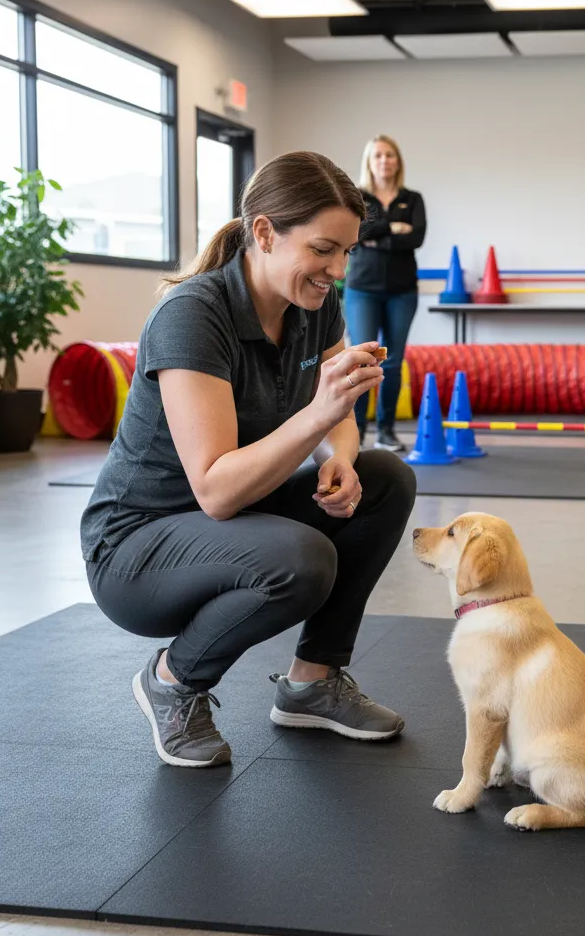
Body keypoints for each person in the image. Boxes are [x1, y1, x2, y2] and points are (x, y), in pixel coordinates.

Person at [80, 151, 417, 769]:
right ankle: (172, 682)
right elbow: (215, 490)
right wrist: (320, 414)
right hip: (136, 551)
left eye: (346, 253)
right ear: (264, 232)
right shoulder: (193, 315)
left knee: (384, 478)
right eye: (323, 250)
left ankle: (312, 682)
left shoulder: (315, 308)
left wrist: (340, 457)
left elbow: (337, 411)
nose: (337, 271)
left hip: (229, 520)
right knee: (302, 560)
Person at [343, 134, 426, 453]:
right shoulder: (358, 198)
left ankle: (387, 431)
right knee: (363, 360)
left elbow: (416, 237)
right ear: (369, 161)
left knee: (391, 362)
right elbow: (358, 232)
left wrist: (379, 234)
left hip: (402, 292)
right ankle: (357, 431)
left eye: (389, 155)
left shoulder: (413, 198)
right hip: (363, 289)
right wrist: (394, 228)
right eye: (378, 155)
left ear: (398, 161)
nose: (384, 160)